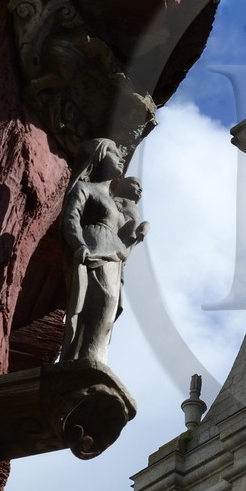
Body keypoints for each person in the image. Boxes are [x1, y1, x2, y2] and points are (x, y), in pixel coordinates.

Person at [60, 138, 148, 369]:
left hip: (113, 258)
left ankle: (95, 358)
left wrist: (137, 236)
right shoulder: (85, 189)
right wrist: (79, 244)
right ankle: (79, 358)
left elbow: (123, 246)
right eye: (114, 152)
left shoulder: (117, 203)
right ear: (99, 156)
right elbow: (71, 218)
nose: (120, 158)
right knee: (94, 304)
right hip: (93, 250)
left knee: (109, 311)